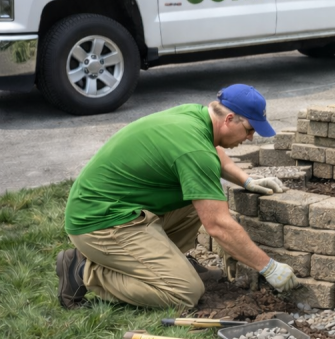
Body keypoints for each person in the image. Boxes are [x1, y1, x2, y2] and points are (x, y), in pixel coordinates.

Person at [56, 84, 299, 310]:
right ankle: (84, 271)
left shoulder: (195, 116)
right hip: (99, 221)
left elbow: (213, 149)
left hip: (119, 207)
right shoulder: (195, 151)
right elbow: (218, 226)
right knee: (185, 292)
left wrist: (246, 180)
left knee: (200, 200)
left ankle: (167, 265)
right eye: (249, 130)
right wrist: (268, 267)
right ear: (228, 119)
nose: (250, 138)